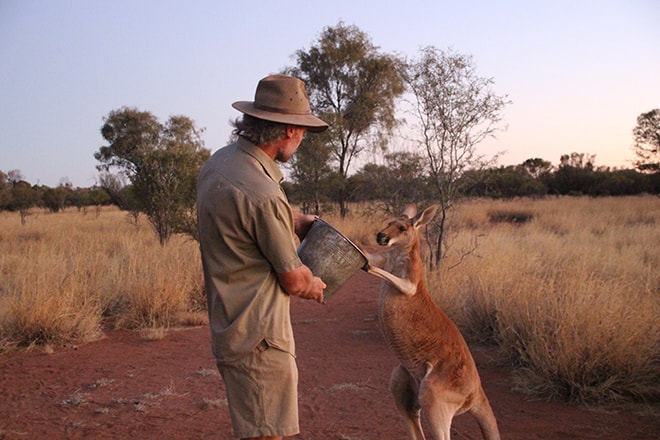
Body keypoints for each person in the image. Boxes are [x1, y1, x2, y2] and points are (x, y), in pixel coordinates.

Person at [196, 74, 328, 440]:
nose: (301, 140)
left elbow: (242, 222)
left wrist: (294, 220)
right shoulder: (264, 192)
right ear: (288, 130)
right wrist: (315, 284)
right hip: (261, 340)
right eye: (301, 131)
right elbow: (294, 279)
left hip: (231, 325)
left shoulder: (219, 164)